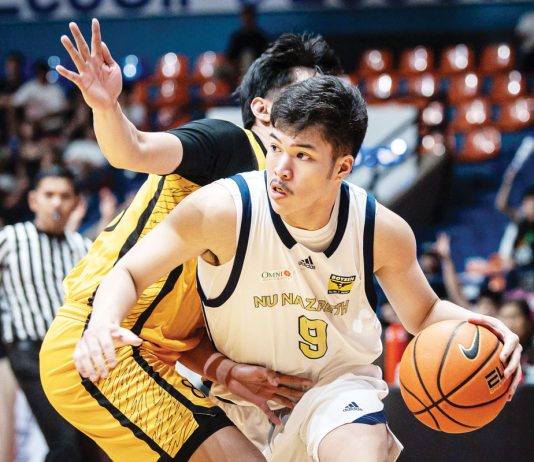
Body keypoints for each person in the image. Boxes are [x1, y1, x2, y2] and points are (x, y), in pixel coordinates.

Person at [73, 76, 523, 462]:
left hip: (335, 391)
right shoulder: (221, 211)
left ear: (342, 167)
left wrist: (496, 331)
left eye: (303, 156)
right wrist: (102, 323)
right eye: (276, 147)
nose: (280, 169)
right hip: (237, 400)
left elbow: (423, 315)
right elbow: (127, 273)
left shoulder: (381, 230)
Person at [40, 18, 343, 461]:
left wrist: (227, 371)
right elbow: (135, 150)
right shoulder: (229, 144)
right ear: (263, 110)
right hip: (103, 342)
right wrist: (106, 108)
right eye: (305, 94)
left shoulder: (282, 200)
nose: (319, 105)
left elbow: (184, 328)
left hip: (148, 357)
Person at [0, 165, 92, 461]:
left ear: (76, 203)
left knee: (86, 442)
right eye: (49, 194)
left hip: (74, 354)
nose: (56, 203)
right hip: (30, 351)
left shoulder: (83, 247)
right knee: (65, 442)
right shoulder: (12, 238)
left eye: (65, 196)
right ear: (33, 200)